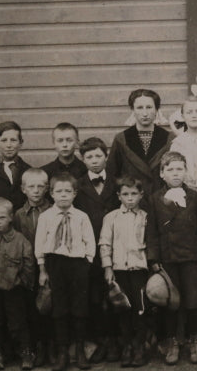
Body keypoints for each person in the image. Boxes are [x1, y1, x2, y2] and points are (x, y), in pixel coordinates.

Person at [145, 152, 197, 365]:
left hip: (191, 258)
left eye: (179, 169)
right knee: (172, 303)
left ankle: (194, 339)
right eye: (171, 169)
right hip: (168, 259)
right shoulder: (155, 199)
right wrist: (154, 258)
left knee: (193, 301)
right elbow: (152, 232)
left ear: (185, 171)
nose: (175, 173)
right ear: (162, 173)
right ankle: (172, 341)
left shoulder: (196, 198)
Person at [35, 173, 96, 371]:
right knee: (59, 308)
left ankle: (79, 350)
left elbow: (90, 242)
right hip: (55, 264)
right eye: (59, 191)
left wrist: (87, 262)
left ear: (74, 194)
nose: (63, 195)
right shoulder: (46, 217)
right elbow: (40, 244)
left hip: (78, 265)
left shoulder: (81, 217)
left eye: (67, 191)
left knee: (80, 307)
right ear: (51, 193)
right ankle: (62, 352)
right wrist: (43, 269)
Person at [74, 137, 120, 363]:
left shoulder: (117, 183)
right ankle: (102, 340)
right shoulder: (77, 185)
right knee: (94, 298)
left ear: (106, 156)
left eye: (98, 156)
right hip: (89, 251)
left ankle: (117, 341)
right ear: (82, 159)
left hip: (116, 249)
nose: (94, 160)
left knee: (116, 295)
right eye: (89, 157)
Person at [98, 176, 149, 368]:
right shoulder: (111, 217)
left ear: (141, 195)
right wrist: (108, 267)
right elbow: (105, 243)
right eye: (125, 194)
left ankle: (139, 347)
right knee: (122, 309)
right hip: (119, 270)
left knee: (140, 309)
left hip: (139, 270)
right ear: (118, 195)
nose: (130, 198)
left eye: (134, 194)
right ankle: (126, 346)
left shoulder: (145, 217)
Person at [13, 168, 51, 368]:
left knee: (48, 306)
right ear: (23, 189)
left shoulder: (53, 211)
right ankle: (34, 347)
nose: (36, 191)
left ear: (47, 188)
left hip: (49, 267)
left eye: (40, 186)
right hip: (28, 268)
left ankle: (49, 345)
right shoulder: (19, 215)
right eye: (31, 186)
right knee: (30, 309)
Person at [106, 89, 174, 201]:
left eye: (149, 107)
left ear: (157, 109)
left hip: (161, 202)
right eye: (139, 108)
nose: (145, 113)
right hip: (132, 201)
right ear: (132, 110)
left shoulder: (169, 138)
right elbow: (112, 176)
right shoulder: (121, 139)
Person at [0, 198, 35, 370]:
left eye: (1, 218)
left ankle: (26, 352)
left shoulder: (20, 240)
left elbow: (28, 264)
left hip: (14, 289)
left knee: (18, 322)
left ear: (11, 217)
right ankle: (1, 354)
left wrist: (23, 283)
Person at [0, 121, 31, 211]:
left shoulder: (29, 171)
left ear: (20, 143)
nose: (9, 145)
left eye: (13, 140)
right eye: (4, 140)